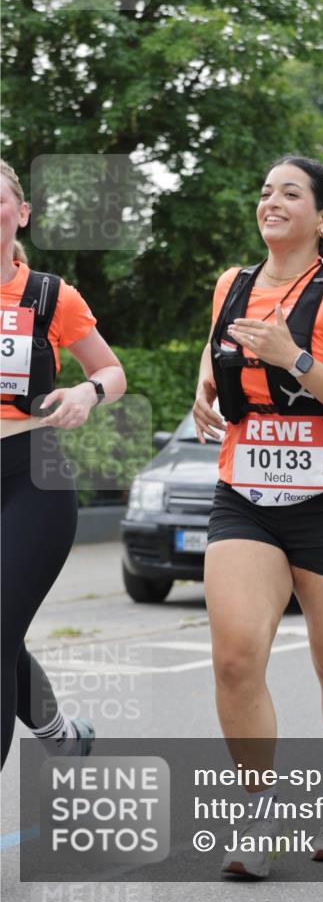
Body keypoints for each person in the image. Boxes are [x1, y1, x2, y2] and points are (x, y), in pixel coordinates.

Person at [193, 155, 323, 878]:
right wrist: (204, 387)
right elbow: (216, 356)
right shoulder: (232, 285)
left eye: (290, 193)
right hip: (243, 494)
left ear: (321, 217)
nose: (271, 200)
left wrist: (295, 357)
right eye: (266, 190)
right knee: (236, 657)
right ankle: (258, 813)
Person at [0, 159, 127, 767]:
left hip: (33, 476)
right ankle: (59, 735)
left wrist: (86, 392)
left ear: (21, 213)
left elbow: (111, 370)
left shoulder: (50, 295)